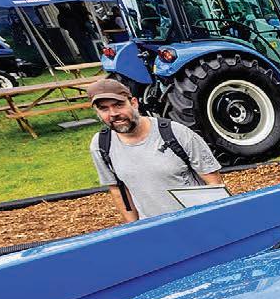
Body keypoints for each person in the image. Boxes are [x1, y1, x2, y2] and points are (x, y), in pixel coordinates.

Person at [86, 79, 222, 223]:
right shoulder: (101, 145)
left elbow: (214, 183)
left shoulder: (176, 133)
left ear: (134, 103)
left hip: (196, 221)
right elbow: (118, 190)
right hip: (154, 227)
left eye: (119, 105)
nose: (113, 113)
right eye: (104, 109)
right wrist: (135, 228)